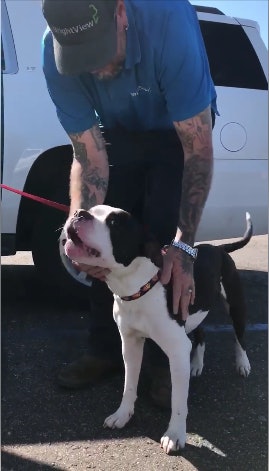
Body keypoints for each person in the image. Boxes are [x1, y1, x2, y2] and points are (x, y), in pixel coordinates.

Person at [42, 0, 217, 407]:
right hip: (118, 131)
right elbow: (89, 156)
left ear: (121, 12)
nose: (97, 70)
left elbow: (198, 151)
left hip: (178, 134)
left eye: (101, 53)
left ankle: (164, 360)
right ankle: (105, 348)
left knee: (160, 238)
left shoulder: (169, 24)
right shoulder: (54, 56)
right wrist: (78, 229)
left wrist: (186, 244)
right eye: (81, 60)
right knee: (105, 244)